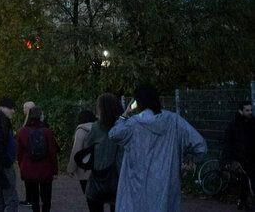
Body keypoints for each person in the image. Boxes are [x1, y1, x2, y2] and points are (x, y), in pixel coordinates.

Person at [109, 84, 207, 212]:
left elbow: (113, 134)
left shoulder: (133, 124)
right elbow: (199, 145)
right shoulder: (174, 121)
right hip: (166, 185)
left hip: (137, 185)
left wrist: (126, 114)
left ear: (137, 102)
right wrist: (191, 160)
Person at [83, 94, 123, 212]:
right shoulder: (124, 126)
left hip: (100, 174)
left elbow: (87, 145)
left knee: (93, 201)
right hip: (119, 176)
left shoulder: (97, 127)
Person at [16, 107, 58, 212]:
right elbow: (52, 152)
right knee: (46, 198)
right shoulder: (47, 131)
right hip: (45, 168)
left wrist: (22, 166)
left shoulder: (23, 131)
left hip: (29, 168)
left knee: (34, 198)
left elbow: (19, 153)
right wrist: (54, 169)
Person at [222, 101, 254, 210]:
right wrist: (227, 160)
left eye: (251, 110)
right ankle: (243, 202)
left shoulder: (253, 123)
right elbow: (228, 143)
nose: (250, 112)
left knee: (246, 181)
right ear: (241, 111)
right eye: (247, 110)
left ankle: (242, 202)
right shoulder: (233, 126)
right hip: (240, 158)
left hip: (252, 157)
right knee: (245, 181)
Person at [67, 110, 95, 205]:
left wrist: (71, 168)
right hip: (99, 168)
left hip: (84, 170)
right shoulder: (98, 129)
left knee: (90, 199)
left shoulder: (81, 131)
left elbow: (76, 150)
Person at [19, 101, 36, 208]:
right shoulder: (42, 122)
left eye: (24, 108)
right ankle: (31, 199)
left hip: (28, 154)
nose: (23, 110)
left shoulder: (26, 124)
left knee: (29, 179)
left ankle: (30, 199)